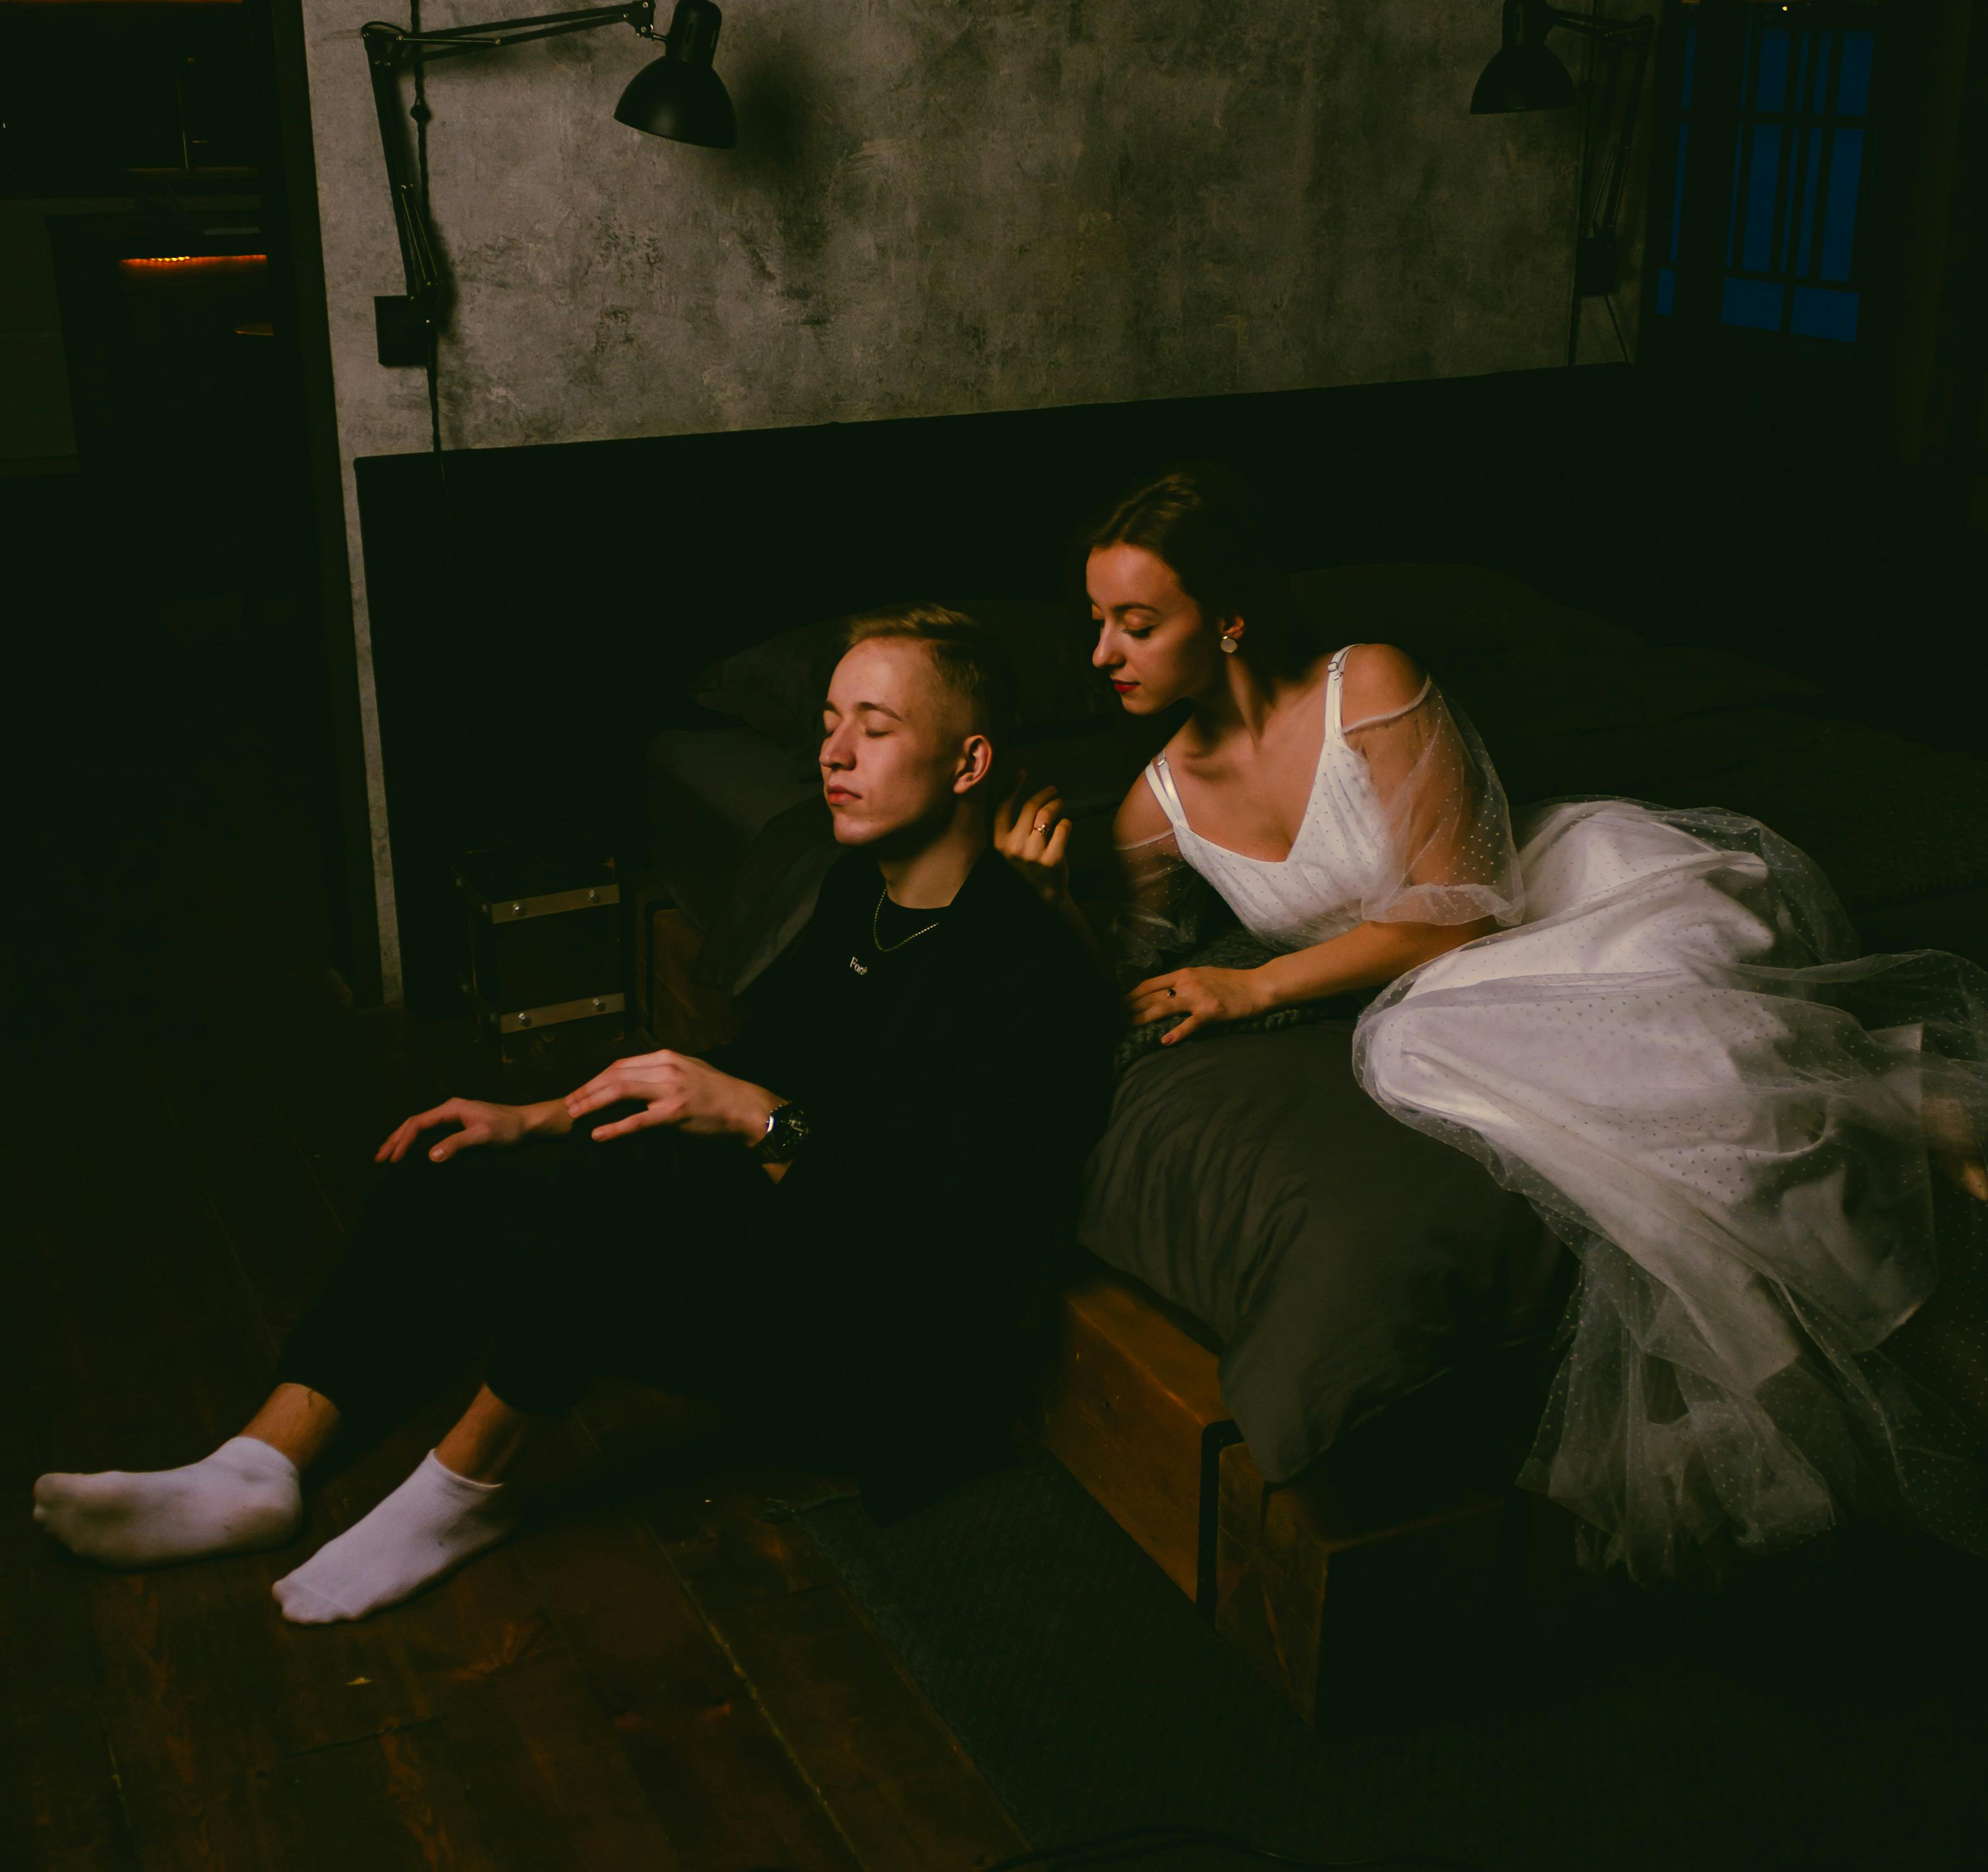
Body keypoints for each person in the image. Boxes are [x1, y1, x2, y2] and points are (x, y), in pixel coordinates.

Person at [998, 465, 1988, 1581]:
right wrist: (1045, 907)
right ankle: (1900, 1152)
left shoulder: (1365, 683)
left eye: (1136, 623)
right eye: (1095, 624)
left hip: (1569, 901)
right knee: (1488, 1062)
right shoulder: (1153, 803)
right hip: (1442, 994)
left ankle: (1899, 1147)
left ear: (1225, 619)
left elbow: (1460, 904)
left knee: (1673, 1064)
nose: (1101, 656)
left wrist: (1260, 986)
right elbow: (1124, 977)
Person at [34, 606, 1116, 1619]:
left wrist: (755, 1120)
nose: (830, 754)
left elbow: (935, 1239)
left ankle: (462, 1489)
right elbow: (760, 1060)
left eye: (871, 730)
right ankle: (260, 1466)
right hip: (812, 1246)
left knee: (641, 1173)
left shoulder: (1026, 974)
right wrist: (537, 1117)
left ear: (968, 761)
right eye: (828, 723)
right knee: (456, 1156)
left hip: (894, 1362)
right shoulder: (860, 895)